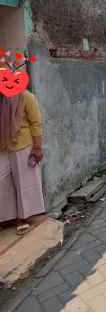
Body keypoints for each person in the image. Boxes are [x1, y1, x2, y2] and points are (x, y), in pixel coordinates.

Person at [0, 70, 45, 235]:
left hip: (23, 145)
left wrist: (38, 147)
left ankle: (22, 218)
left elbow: (36, 122)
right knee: (2, 183)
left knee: (24, 183)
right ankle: (7, 217)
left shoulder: (26, 97)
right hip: (3, 147)